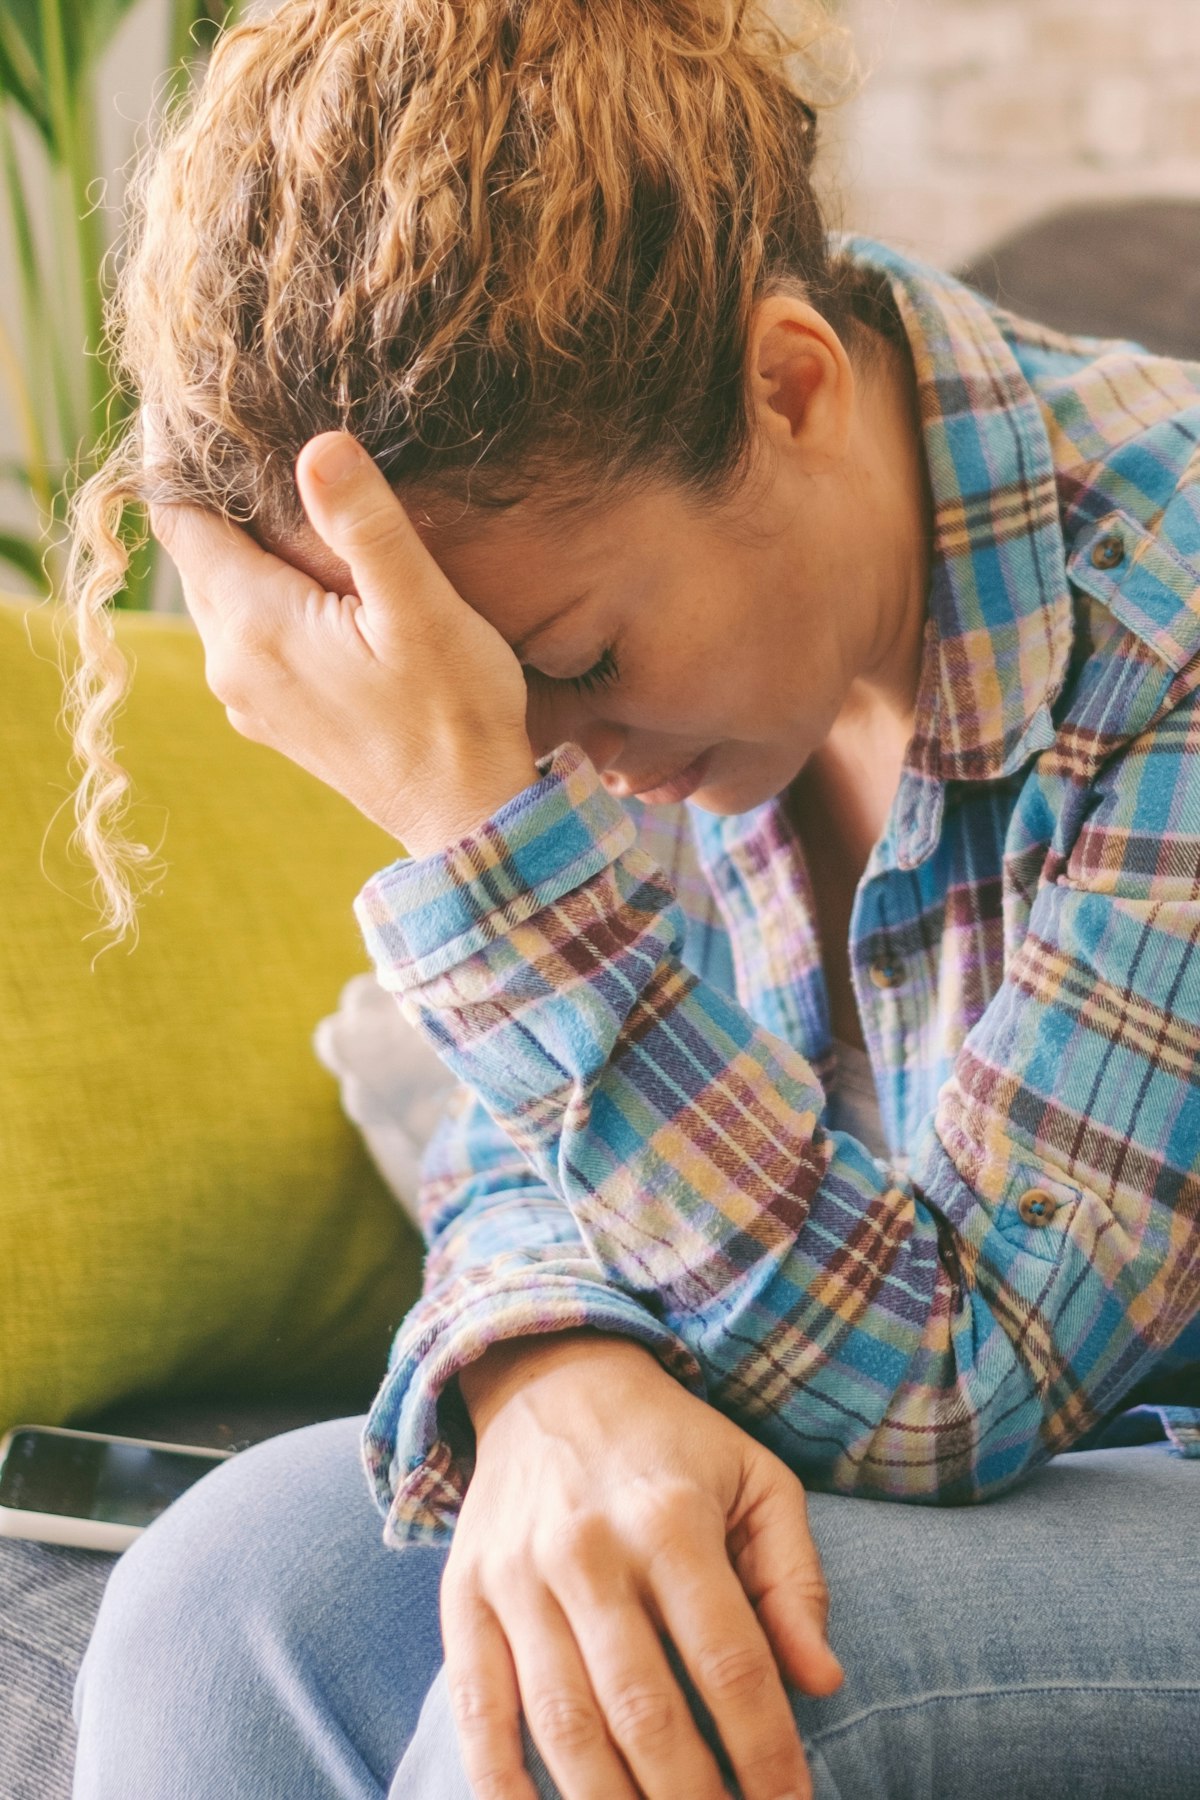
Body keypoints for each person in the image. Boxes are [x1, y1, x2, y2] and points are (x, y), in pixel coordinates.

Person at [63, 2, 1200, 1796]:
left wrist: (473, 829)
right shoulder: (670, 605)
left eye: (577, 664)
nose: (556, 761)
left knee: (628, 1688)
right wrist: (552, 1367)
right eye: (495, 719)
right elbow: (534, 1128)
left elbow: (962, 1366)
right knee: (224, 1605)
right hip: (990, 1450)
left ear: (791, 387)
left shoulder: (1170, 623)